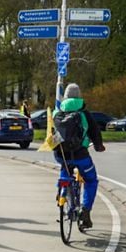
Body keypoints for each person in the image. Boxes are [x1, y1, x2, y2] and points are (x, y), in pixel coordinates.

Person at [51, 83, 105, 229]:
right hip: (81, 154)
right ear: (79, 96)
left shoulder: (57, 112)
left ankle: (61, 191)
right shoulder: (84, 113)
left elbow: (51, 135)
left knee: (65, 169)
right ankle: (85, 211)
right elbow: (95, 132)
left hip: (61, 154)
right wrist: (99, 146)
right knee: (91, 180)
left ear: (66, 97)